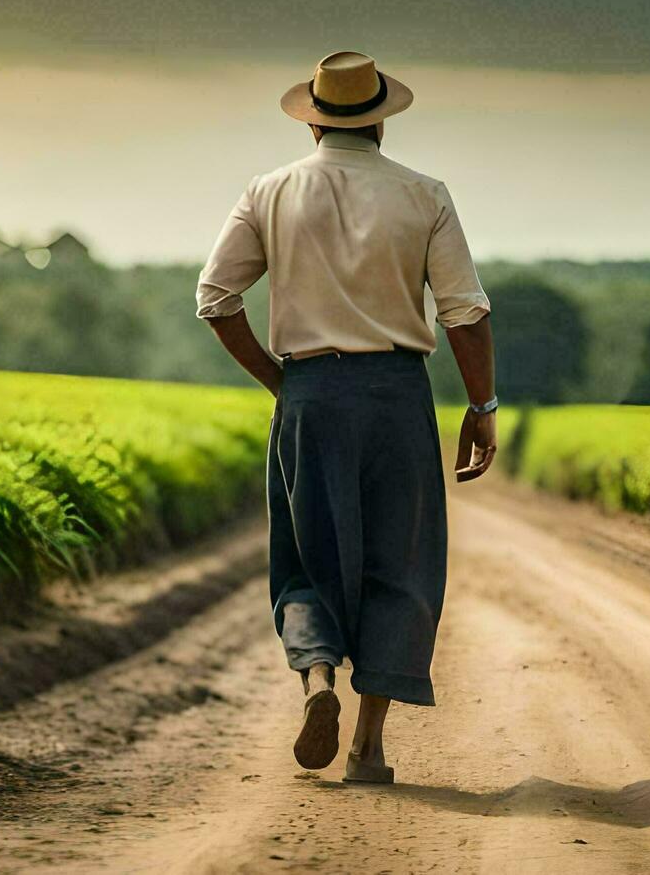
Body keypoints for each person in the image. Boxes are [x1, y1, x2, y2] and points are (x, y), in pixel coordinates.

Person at [195, 51, 497, 784]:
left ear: (313, 122)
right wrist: (482, 405)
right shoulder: (424, 195)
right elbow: (464, 312)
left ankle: (318, 680)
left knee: (305, 559)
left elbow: (215, 297)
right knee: (401, 564)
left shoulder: (269, 191)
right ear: (382, 122)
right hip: (397, 395)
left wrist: (280, 381)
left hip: (310, 397)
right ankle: (367, 744)